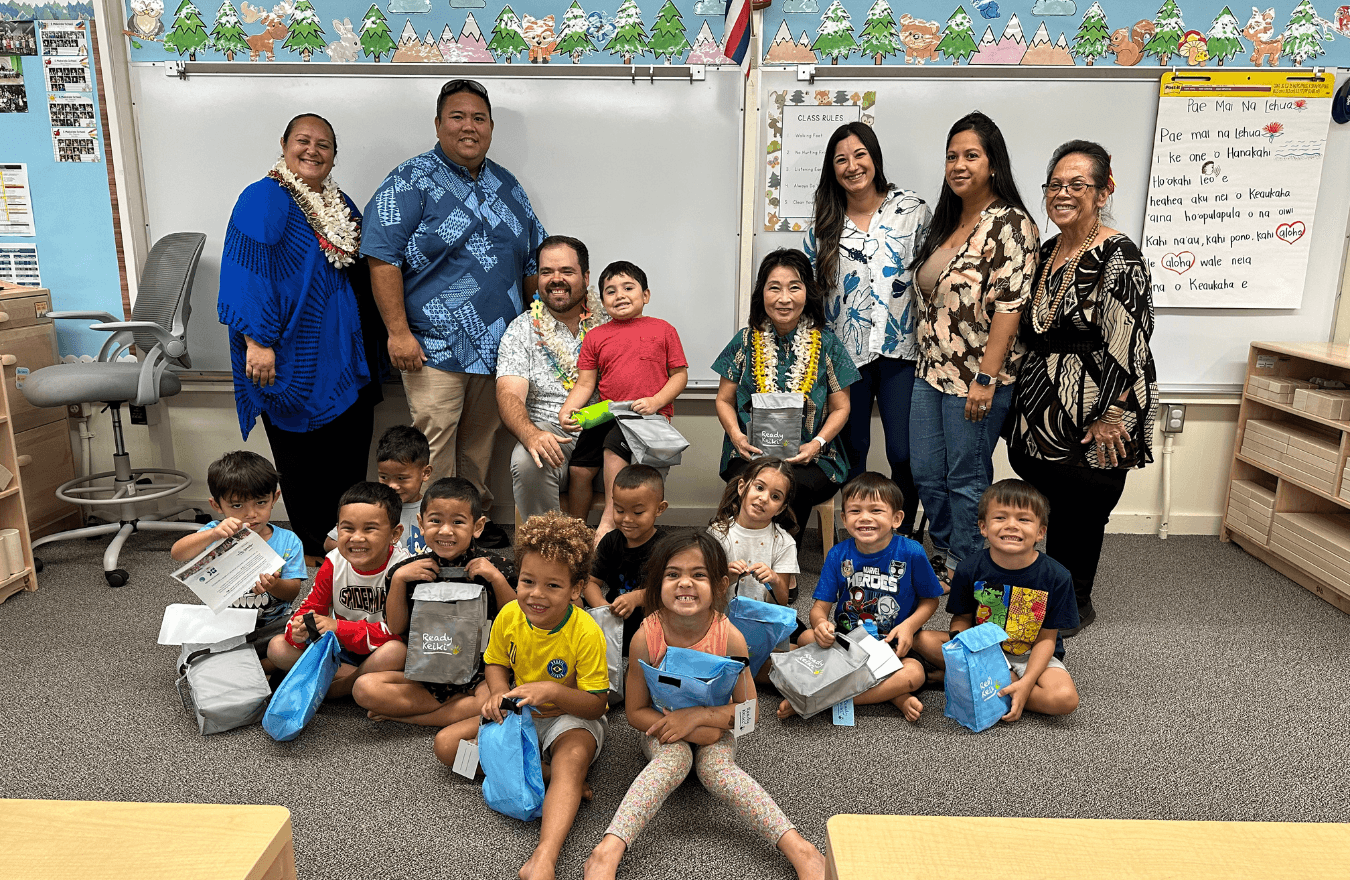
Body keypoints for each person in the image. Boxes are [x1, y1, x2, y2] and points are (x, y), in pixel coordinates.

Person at [361, 79, 547, 546]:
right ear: (439, 123)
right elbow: (382, 257)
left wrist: (539, 327)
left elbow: (531, 263)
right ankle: (434, 536)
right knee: (436, 443)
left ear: (490, 127)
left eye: (479, 118)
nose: (469, 126)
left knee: (479, 445)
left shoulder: (508, 186)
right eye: (458, 117)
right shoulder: (409, 180)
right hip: (432, 344)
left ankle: (470, 525)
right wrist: (397, 332)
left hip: (498, 345)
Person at [583, 532, 826, 880]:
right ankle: (608, 848)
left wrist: (699, 719)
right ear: (656, 583)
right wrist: (681, 727)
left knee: (717, 770)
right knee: (676, 757)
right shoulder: (645, 637)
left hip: (716, 728)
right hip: (662, 727)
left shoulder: (730, 637)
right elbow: (635, 712)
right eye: (672, 574)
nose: (685, 583)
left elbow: (749, 716)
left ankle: (799, 846)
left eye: (699, 575)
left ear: (719, 585)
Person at [1007, 140, 1157, 634]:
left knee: (1083, 506)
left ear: (1103, 190)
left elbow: (1129, 342)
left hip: (1098, 410)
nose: (1063, 193)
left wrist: (1112, 413)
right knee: (1041, 506)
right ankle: (1039, 592)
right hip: (1038, 408)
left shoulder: (1120, 255)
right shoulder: (1048, 251)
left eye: (1078, 184)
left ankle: (1074, 603)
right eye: (1055, 185)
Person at [218, 113, 381, 561]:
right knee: (303, 459)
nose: (313, 150)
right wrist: (257, 341)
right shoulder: (263, 198)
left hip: (342, 355)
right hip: (288, 352)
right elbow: (245, 274)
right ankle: (312, 546)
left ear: (334, 155)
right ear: (284, 145)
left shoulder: (339, 201)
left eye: (324, 144)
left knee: (346, 453)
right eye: (303, 141)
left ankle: (345, 541)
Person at [436, 512, 608, 880]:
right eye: (528, 581)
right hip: (519, 714)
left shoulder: (587, 631)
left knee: (574, 755)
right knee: (447, 746)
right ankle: (546, 776)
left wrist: (552, 691)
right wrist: (499, 695)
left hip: (571, 717)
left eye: (553, 586)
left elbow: (596, 704)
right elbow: (495, 664)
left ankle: (544, 856)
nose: (536, 595)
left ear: (577, 588)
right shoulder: (509, 615)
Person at [910, 111, 1039, 587]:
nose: (959, 165)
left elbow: (1010, 307)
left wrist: (985, 378)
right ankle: (944, 551)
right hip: (930, 372)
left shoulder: (1011, 223)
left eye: (971, 155)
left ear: (993, 162)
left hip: (979, 378)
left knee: (966, 479)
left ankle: (969, 566)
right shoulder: (948, 219)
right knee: (926, 473)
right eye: (951, 156)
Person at [804, 122, 931, 534]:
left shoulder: (911, 210)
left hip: (902, 349)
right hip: (846, 357)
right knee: (853, 448)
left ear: (874, 158)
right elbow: (811, 297)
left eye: (860, 155)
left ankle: (903, 533)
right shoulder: (823, 224)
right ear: (831, 169)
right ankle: (857, 532)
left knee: (903, 451)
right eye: (841, 159)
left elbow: (935, 275)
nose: (852, 166)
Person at [712, 249, 859, 547]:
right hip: (750, 450)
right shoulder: (743, 340)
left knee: (794, 485)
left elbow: (842, 407)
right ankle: (738, 557)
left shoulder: (827, 343)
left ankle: (782, 566)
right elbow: (724, 400)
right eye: (774, 287)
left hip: (813, 456)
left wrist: (816, 444)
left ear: (808, 292)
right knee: (755, 482)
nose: (784, 298)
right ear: (761, 293)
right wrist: (737, 436)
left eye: (794, 287)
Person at [913, 479, 1080, 722]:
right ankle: (994, 682)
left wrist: (1027, 683)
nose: (1011, 526)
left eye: (1023, 519)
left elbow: (1047, 638)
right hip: (982, 651)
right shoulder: (969, 568)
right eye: (1000, 518)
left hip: (1030, 655)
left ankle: (982, 682)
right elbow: (962, 619)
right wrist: (967, 650)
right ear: (983, 527)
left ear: (1041, 532)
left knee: (1065, 700)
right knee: (922, 639)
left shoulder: (1057, 576)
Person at [353, 478, 516, 727]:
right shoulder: (405, 571)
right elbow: (396, 628)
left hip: (481, 673)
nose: (445, 531)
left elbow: (517, 619)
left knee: (493, 700)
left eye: (458, 522)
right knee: (363, 688)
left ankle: (408, 717)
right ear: (420, 523)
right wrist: (397, 581)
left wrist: (496, 579)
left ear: (478, 526)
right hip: (427, 672)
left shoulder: (498, 567)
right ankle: (456, 708)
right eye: (435, 521)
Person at [786, 472, 943, 723]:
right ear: (844, 518)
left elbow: (931, 600)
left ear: (896, 518)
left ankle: (819, 699)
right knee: (805, 638)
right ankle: (894, 696)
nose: (865, 518)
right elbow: (818, 609)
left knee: (915, 676)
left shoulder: (912, 552)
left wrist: (908, 627)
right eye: (855, 511)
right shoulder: (838, 554)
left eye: (876, 511)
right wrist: (820, 626)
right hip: (847, 643)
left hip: (891, 645)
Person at [559, 261, 688, 542]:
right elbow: (585, 383)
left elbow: (679, 376)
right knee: (579, 467)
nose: (620, 295)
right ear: (601, 300)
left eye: (628, 288)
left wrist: (656, 401)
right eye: (610, 291)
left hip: (647, 417)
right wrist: (569, 408)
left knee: (612, 445)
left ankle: (608, 521)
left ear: (646, 295)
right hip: (608, 414)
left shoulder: (663, 329)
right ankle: (575, 532)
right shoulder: (595, 336)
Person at [497, 236, 610, 522]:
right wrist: (531, 434)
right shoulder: (521, 329)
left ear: (586, 277)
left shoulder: (612, 322)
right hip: (551, 434)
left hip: (606, 431)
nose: (555, 279)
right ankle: (549, 553)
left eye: (567, 272)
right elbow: (509, 394)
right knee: (528, 459)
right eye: (547, 272)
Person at [266, 482, 412, 699]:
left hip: (380, 652)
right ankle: (355, 683)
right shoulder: (334, 562)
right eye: (348, 528)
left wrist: (339, 627)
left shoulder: (403, 569)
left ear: (395, 533)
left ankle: (337, 689)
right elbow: (311, 607)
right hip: (342, 653)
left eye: (370, 528)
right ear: (337, 528)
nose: (357, 538)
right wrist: (298, 631)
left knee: (397, 653)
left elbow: (399, 633)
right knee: (278, 648)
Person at [170, 451, 306, 642]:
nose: (251, 514)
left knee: (292, 642)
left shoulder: (288, 541)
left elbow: (293, 591)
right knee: (196, 652)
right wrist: (211, 535)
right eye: (237, 506)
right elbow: (178, 553)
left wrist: (274, 585)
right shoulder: (215, 532)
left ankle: (258, 664)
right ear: (216, 505)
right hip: (222, 624)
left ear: (274, 499)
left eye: (261, 502)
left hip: (272, 624)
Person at [582, 464, 669, 654]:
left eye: (637, 513)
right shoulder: (611, 541)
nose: (627, 519)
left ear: (659, 509)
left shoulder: (665, 546)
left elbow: (670, 591)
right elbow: (590, 582)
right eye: (620, 510)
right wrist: (601, 606)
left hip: (653, 619)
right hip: (615, 615)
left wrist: (636, 597)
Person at [324, 425, 433, 555]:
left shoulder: (433, 508)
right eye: (384, 477)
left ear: (425, 473)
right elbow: (329, 543)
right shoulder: (369, 505)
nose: (392, 486)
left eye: (401, 478)